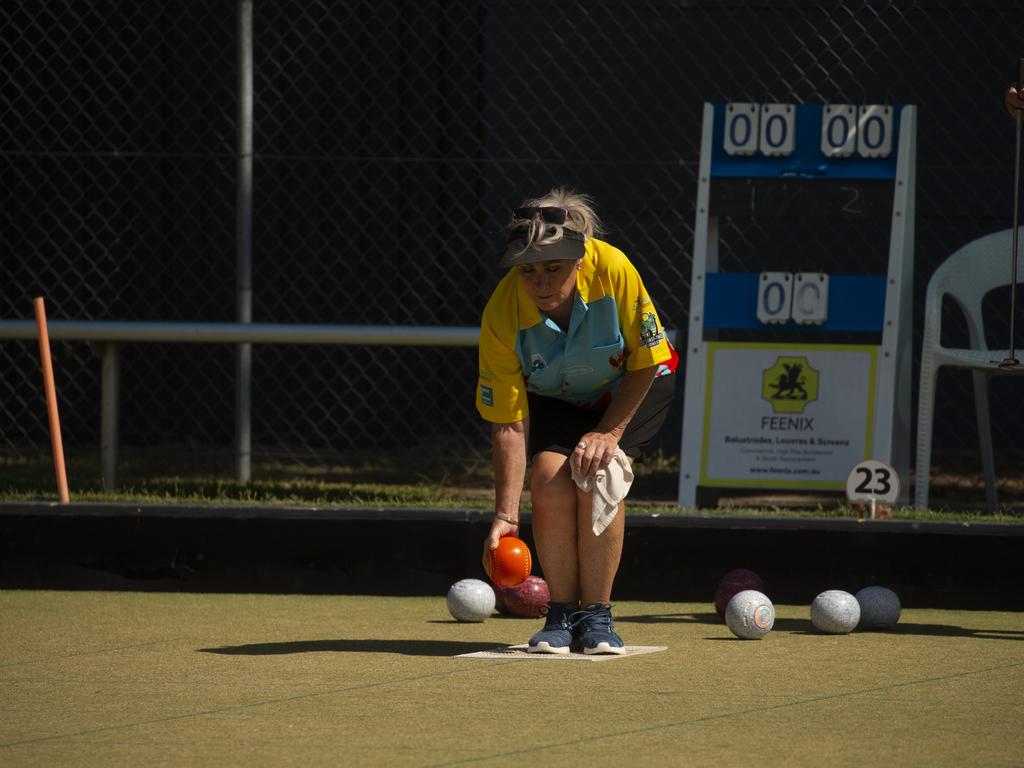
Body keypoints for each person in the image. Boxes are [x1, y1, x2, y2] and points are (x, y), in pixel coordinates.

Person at [476, 188, 678, 654]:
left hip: (632, 384)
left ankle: (598, 616)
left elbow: (648, 359)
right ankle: (561, 615)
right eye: (528, 270)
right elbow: (508, 423)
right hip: (558, 396)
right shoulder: (502, 313)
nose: (540, 283)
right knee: (548, 478)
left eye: (553, 268)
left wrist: (609, 433)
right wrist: (506, 517)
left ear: (581, 259)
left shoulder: (614, 270)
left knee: (601, 472)